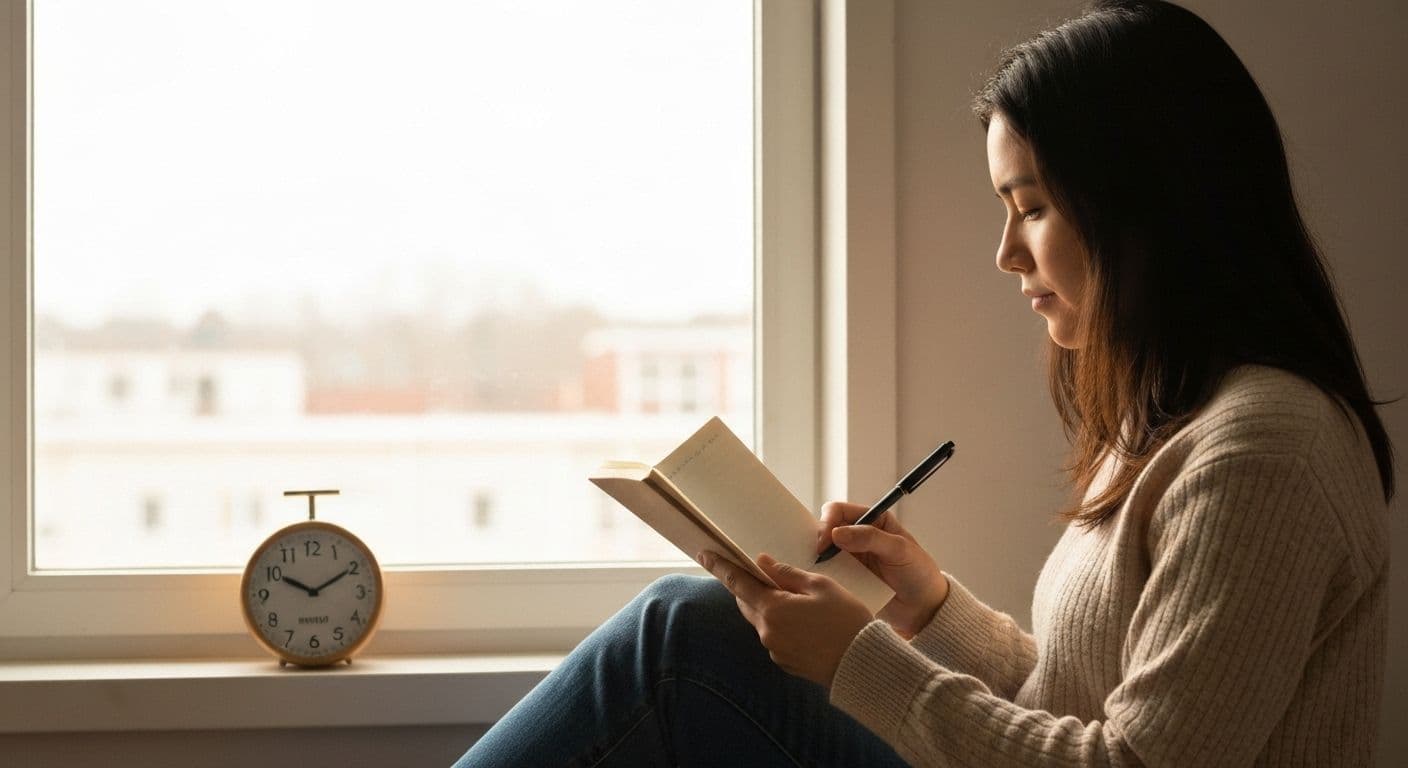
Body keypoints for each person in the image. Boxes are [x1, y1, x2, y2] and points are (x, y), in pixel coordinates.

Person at [454, 1, 1393, 765]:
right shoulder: (1181, 429)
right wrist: (930, 607)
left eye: (1030, 207)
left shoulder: (1265, 450)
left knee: (683, 641)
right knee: (686, 628)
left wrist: (861, 660)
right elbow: (1083, 707)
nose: (1005, 253)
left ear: (1148, 204)